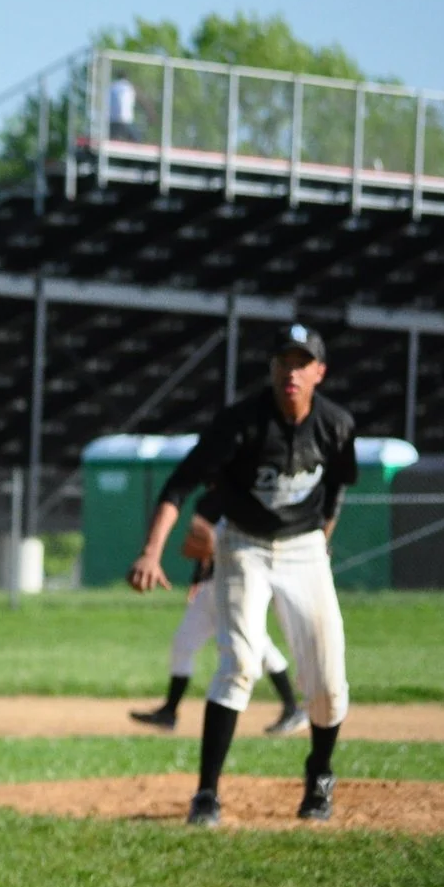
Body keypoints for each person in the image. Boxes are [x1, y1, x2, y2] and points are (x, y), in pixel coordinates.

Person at [127, 324, 356, 824]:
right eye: (283, 361)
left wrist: (324, 540)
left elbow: (336, 487)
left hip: (304, 549)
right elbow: (177, 486)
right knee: (239, 664)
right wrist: (151, 552)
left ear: (319, 371)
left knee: (328, 678)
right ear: (272, 369)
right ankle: (206, 794)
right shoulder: (239, 424)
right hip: (244, 547)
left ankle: (319, 776)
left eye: (302, 362)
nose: (291, 371)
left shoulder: (336, 424)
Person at [129, 496, 305, 735]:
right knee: (183, 644)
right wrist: (196, 579)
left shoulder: (247, 498)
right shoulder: (211, 502)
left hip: (237, 584)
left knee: (260, 646)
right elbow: (202, 550)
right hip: (210, 586)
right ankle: (169, 712)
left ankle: (292, 708)